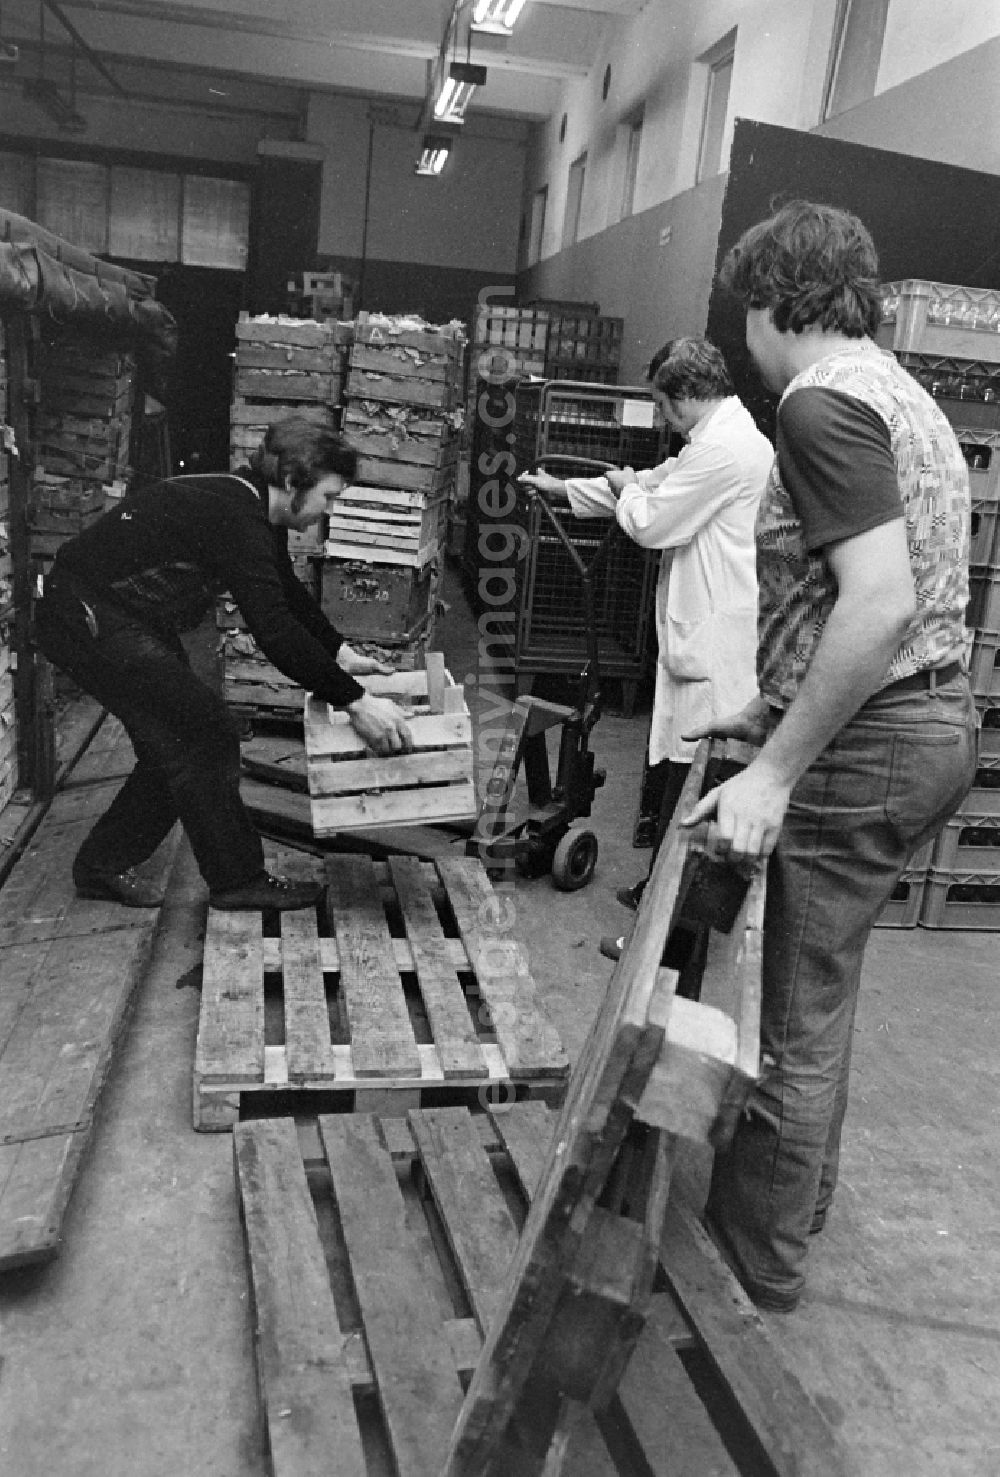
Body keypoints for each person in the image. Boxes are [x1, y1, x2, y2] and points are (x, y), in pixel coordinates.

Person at [681, 200, 977, 1311]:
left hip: (873, 742)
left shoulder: (817, 405)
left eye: (743, 312)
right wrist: (772, 707)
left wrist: (774, 771)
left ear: (769, 301)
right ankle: (788, 1213)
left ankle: (755, 1266)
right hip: (923, 725)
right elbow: (857, 600)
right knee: (824, 992)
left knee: (791, 1011)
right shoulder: (901, 395)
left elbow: (879, 605)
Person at [34, 409, 413, 913]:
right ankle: (237, 881)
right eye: (328, 496)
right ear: (293, 480)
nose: (328, 510)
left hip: (117, 613)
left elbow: (285, 592)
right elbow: (273, 630)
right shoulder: (238, 514)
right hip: (85, 616)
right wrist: (355, 702)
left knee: (177, 738)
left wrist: (339, 653)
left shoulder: (253, 504)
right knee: (205, 732)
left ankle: (102, 866)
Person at [519, 336, 773, 959]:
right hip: (704, 638)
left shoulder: (724, 449)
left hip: (718, 650)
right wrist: (564, 489)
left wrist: (629, 487)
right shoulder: (715, 441)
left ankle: (669, 943)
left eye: (664, 406)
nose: (663, 419)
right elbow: (652, 490)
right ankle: (661, 899)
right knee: (678, 785)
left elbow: (652, 518)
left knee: (695, 791)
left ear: (686, 395)